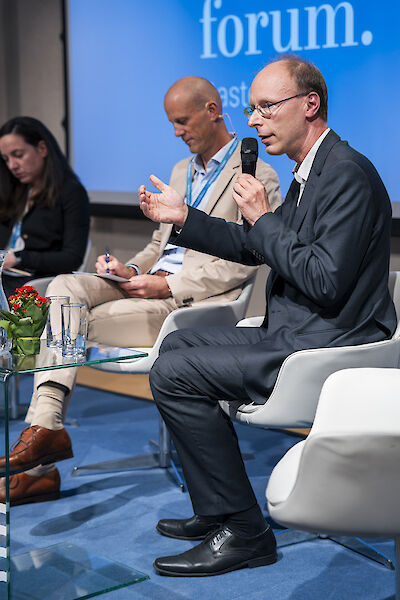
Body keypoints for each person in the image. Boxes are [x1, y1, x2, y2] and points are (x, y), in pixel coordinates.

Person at [138, 56, 396, 577]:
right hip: (295, 331)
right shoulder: (311, 170)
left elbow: (323, 278)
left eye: (265, 108)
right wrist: (185, 218)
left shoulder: (347, 173)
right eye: (251, 109)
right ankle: (217, 510)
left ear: (310, 105)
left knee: (173, 372)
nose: (253, 121)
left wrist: (260, 217)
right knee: (175, 348)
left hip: (327, 344)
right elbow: (260, 247)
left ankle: (244, 530)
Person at [0, 77, 281, 505]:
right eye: (171, 123)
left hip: (191, 303)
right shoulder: (180, 171)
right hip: (146, 286)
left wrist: (165, 283)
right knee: (64, 287)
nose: (177, 132)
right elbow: (158, 245)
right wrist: (127, 268)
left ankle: (43, 449)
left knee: (71, 320)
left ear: (212, 110)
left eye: (182, 121)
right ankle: (46, 430)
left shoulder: (257, 174)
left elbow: (246, 258)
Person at [0, 116, 90, 298]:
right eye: (6, 159)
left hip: (34, 282)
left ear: (42, 148)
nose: (12, 165)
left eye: (18, 155)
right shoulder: (13, 189)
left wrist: (18, 258)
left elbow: (72, 258)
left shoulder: (71, 192)